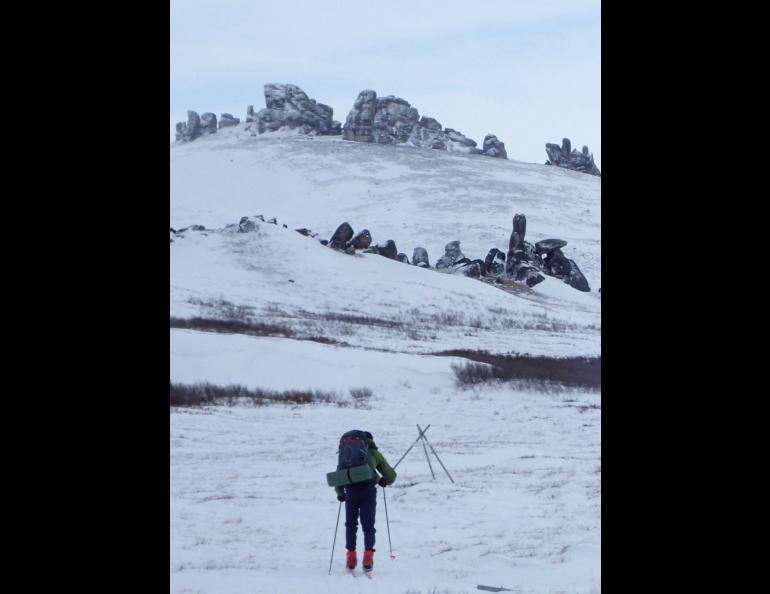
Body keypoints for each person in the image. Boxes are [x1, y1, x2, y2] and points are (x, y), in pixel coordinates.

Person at [334, 431, 397, 572]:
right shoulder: (374, 453)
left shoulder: (347, 453)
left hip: (350, 492)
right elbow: (391, 476)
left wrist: (340, 493)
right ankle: (368, 558)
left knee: (350, 525)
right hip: (368, 492)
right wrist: (384, 479)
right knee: (368, 525)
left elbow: (340, 472)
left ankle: (351, 557)